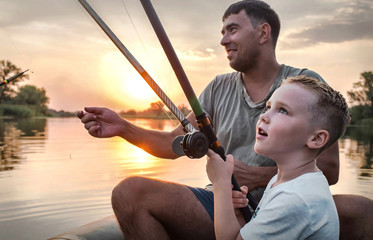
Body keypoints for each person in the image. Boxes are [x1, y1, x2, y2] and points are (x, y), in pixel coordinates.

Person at [78, 1, 340, 239]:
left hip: (276, 200)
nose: (224, 41)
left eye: (232, 29)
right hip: (224, 203)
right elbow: (173, 143)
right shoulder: (218, 87)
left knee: (361, 209)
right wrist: (123, 127)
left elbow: (329, 169)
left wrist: (256, 177)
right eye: (222, 33)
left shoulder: (302, 87)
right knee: (130, 192)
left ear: (263, 33)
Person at [206, 75, 350, 240]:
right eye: (268, 107)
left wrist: (220, 184)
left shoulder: (295, 199)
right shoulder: (286, 182)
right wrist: (237, 213)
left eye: (282, 110)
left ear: (316, 139)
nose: (263, 116)